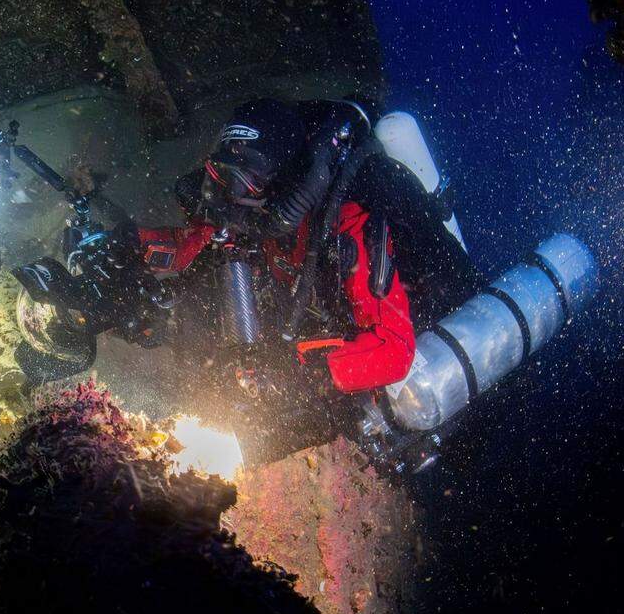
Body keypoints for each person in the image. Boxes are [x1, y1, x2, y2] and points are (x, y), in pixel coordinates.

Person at [122, 98, 481, 399]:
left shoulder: (350, 217)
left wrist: (304, 372)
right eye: (221, 177)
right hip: (308, 330)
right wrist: (126, 245)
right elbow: (191, 244)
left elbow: (392, 351)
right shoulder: (253, 205)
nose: (229, 197)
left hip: (406, 354)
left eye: (243, 183)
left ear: (285, 182)